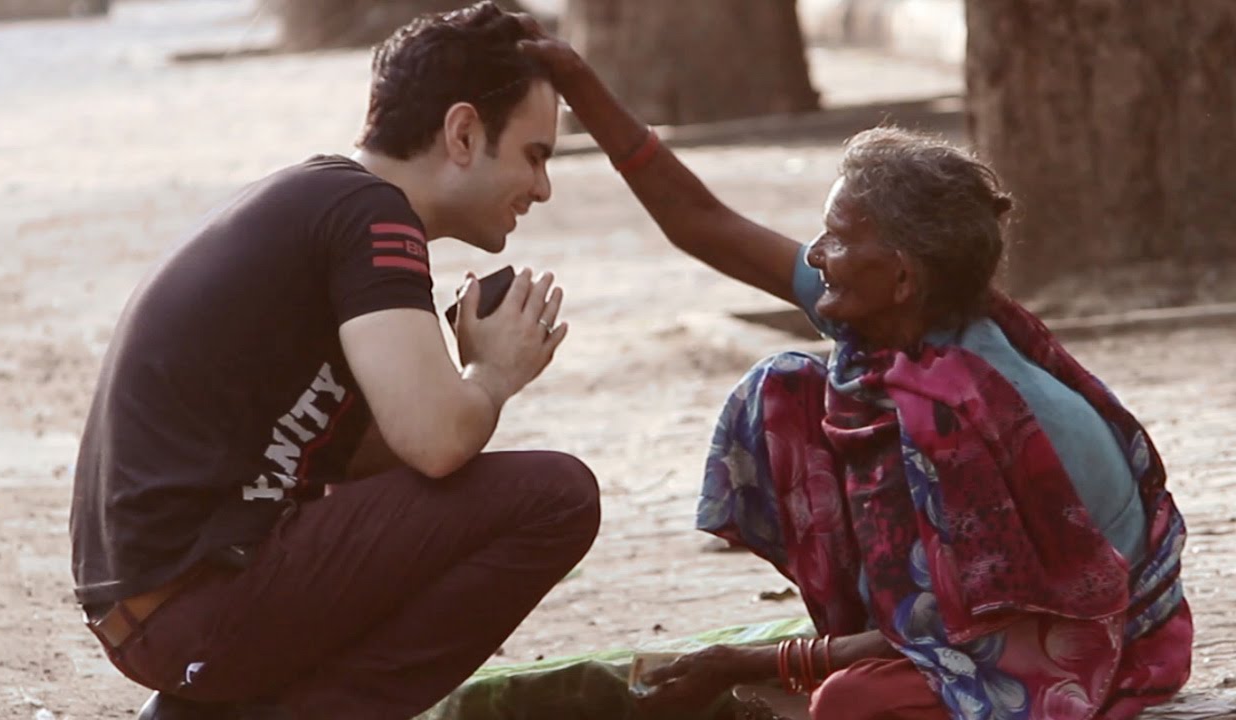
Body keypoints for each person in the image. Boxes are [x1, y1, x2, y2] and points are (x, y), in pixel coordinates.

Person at [518, 22, 1192, 720]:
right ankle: (866, 629)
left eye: (838, 237)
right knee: (784, 390)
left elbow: (981, 631)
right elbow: (703, 223)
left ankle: (862, 646)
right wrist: (577, 81)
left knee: (849, 702)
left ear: (900, 276)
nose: (815, 253)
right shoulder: (905, 319)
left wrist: (755, 663)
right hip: (983, 612)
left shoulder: (967, 411)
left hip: (1095, 636)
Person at [69, 5, 601, 719]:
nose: (542, 189)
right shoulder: (372, 217)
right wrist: (492, 377)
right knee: (556, 498)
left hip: (159, 605)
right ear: (464, 133)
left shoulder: (330, 204)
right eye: (536, 155)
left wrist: (458, 373)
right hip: (190, 599)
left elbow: (372, 465)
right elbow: (438, 443)